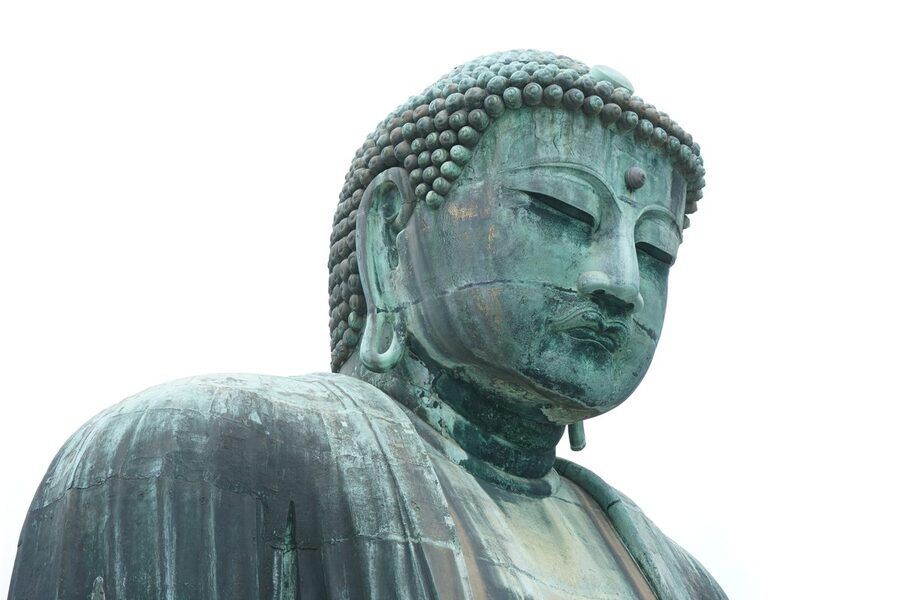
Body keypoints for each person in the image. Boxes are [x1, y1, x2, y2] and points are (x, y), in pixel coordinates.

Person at [8, 50, 724, 599]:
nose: (621, 284)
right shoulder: (191, 457)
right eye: (562, 212)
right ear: (389, 235)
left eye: (655, 249)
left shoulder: (679, 579)